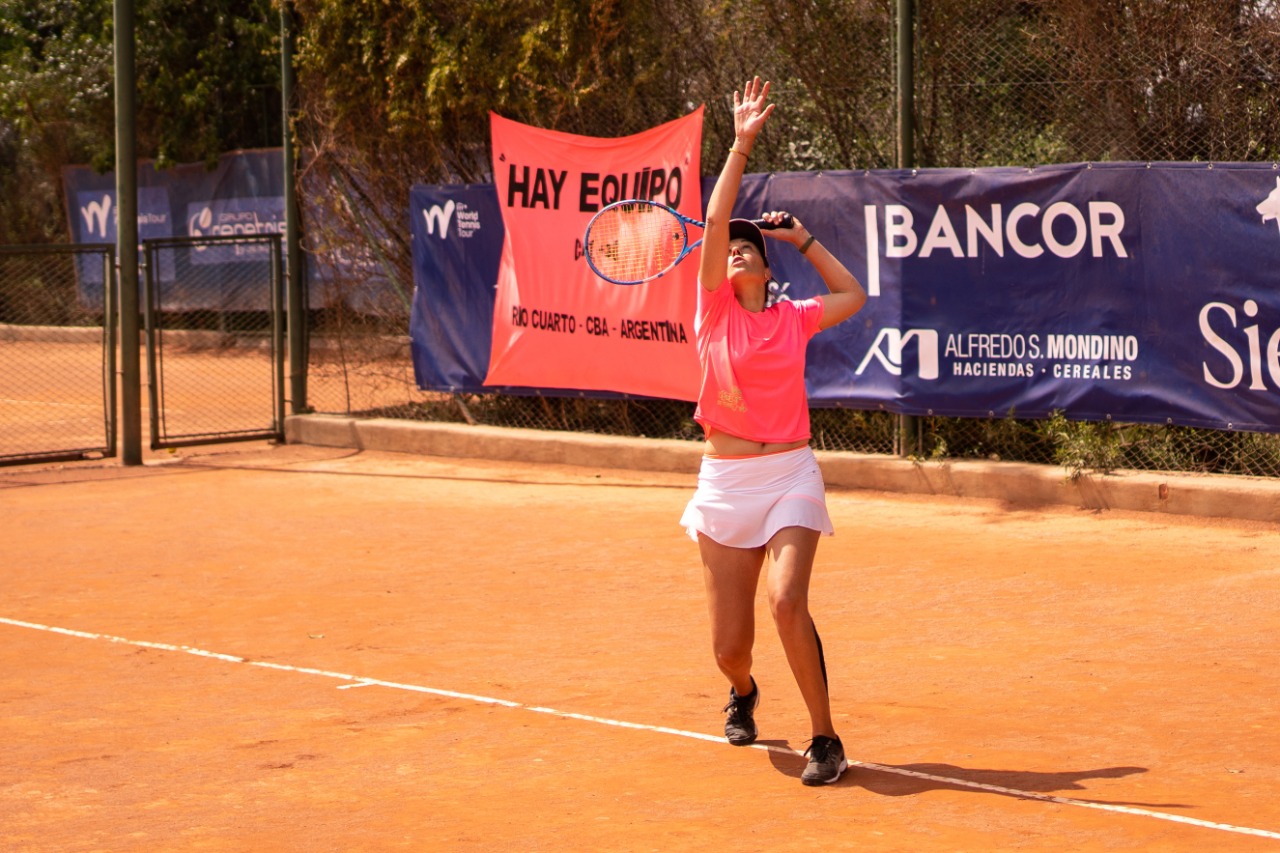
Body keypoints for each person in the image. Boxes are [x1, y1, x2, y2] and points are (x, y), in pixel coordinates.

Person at [678, 77, 868, 786]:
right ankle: (745, 689)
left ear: (764, 266)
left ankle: (825, 738)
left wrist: (805, 237)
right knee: (731, 646)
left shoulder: (791, 318)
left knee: (788, 600)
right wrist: (740, 144)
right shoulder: (711, 314)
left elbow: (854, 294)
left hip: (788, 473)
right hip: (725, 486)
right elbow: (717, 213)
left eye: (748, 248)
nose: (735, 251)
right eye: (729, 248)